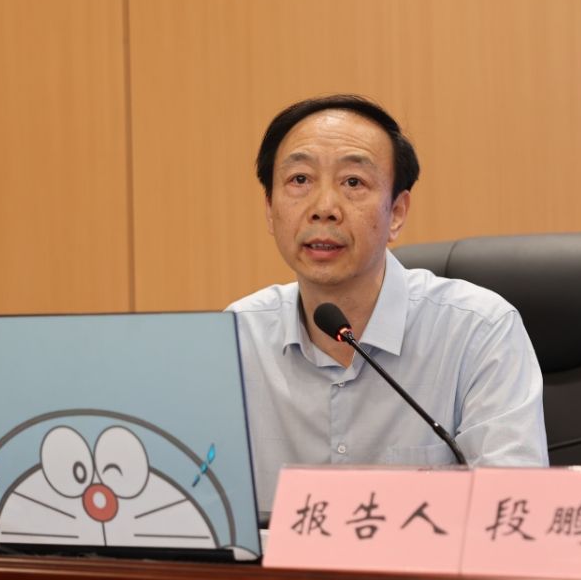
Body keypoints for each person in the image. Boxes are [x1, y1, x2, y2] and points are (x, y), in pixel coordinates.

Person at [229, 95, 548, 513]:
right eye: (300, 179)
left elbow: (513, 513)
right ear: (270, 209)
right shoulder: (233, 339)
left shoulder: (479, 331)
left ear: (396, 212)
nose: (324, 209)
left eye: (353, 182)